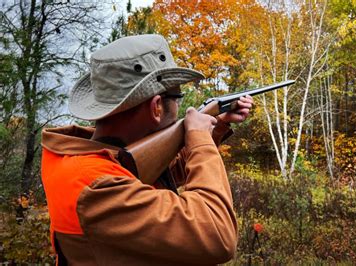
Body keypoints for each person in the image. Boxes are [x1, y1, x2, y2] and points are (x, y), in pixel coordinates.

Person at [41, 34, 253, 265]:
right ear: (156, 107)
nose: (180, 106)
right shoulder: (97, 185)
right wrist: (198, 137)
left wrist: (218, 125)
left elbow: (163, 173)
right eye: (177, 98)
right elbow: (217, 234)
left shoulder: (86, 158)